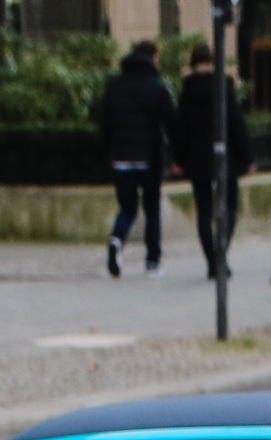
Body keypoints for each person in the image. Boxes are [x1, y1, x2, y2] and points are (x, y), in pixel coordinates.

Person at [97, 41, 178, 277]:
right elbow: (171, 122)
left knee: (127, 208)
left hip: (121, 157)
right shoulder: (157, 87)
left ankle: (116, 241)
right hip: (149, 158)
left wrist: (109, 149)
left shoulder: (114, 86)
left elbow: (104, 122)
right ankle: (152, 262)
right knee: (152, 210)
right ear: (153, 57)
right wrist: (177, 153)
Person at [176, 42, 253, 281]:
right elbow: (236, 123)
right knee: (230, 206)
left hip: (197, 159)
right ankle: (221, 255)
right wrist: (248, 157)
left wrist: (178, 159)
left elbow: (180, 129)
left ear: (192, 64)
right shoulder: (224, 87)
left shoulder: (186, 92)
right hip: (225, 158)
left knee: (203, 212)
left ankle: (211, 261)